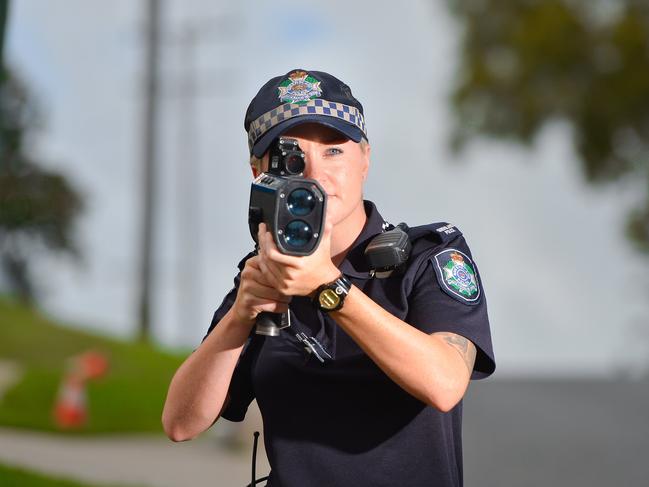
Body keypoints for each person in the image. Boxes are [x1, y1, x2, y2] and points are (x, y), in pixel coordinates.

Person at [162, 69, 496, 487]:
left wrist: (329, 288)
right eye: (292, 157)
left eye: (334, 151)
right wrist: (240, 316)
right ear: (257, 172)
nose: (315, 174)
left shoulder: (426, 258)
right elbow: (180, 423)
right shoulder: (264, 273)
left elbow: (444, 384)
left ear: (365, 159)